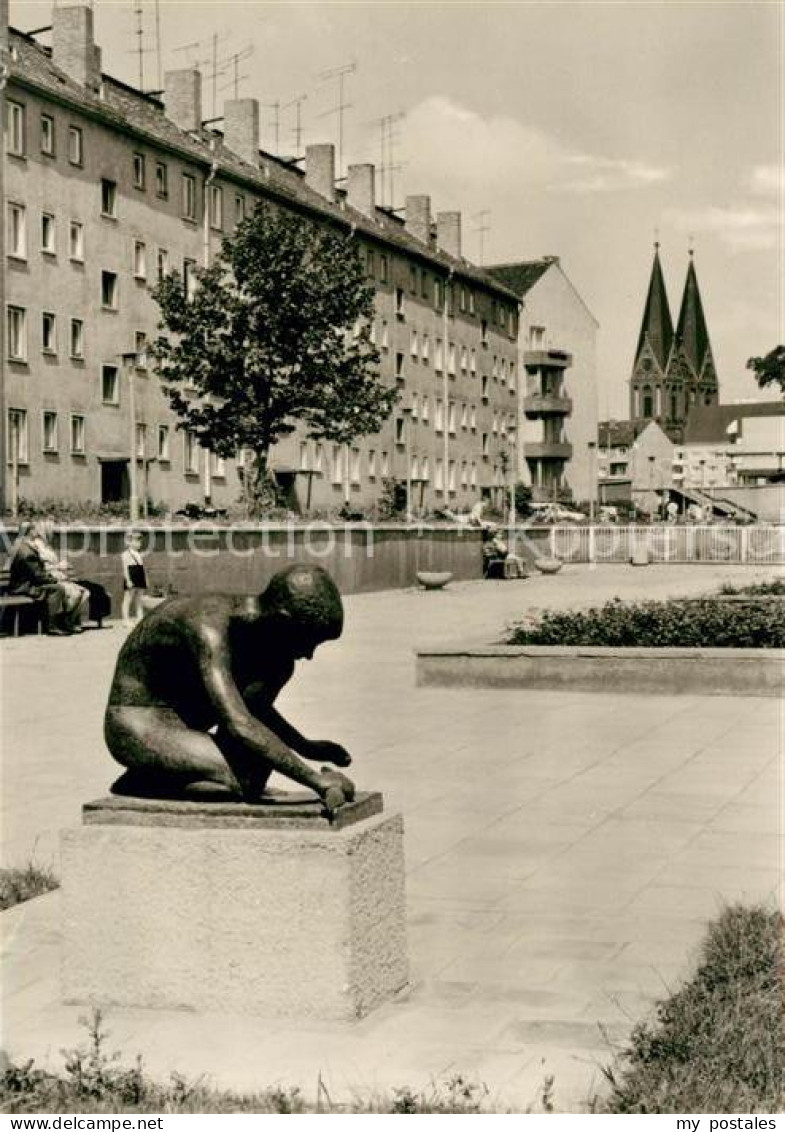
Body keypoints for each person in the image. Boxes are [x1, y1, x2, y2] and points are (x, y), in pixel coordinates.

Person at [104, 564, 356, 813]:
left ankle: (174, 774)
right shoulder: (209, 624)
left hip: (185, 725)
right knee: (245, 779)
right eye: (308, 641)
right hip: (137, 723)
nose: (309, 655)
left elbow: (255, 711)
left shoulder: (275, 657)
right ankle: (144, 781)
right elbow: (238, 722)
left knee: (256, 765)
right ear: (283, 620)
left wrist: (307, 746)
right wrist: (316, 781)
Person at [8, 519, 88, 635]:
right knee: (57, 589)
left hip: (26, 584)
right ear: (30, 532)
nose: (36, 532)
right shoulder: (26, 551)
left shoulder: (22, 546)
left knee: (59, 588)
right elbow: (37, 575)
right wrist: (54, 580)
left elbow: (37, 574)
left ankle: (59, 623)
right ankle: (53, 625)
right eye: (34, 529)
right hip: (25, 587)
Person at [121, 530, 148, 626]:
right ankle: (126, 620)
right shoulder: (125, 554)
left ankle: (140, 618)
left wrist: (146, 579)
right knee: (128, 599)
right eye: (137, 541)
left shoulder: (139, 554)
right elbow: (125, 568)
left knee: (139, 599)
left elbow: (143, 567)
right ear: (130, 542)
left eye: (140, 541)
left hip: (140, 576)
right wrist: (128, 580)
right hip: (132, 575)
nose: (139, 544)